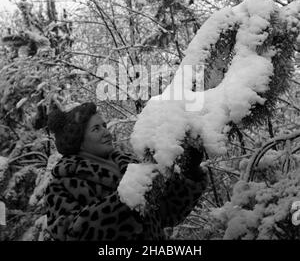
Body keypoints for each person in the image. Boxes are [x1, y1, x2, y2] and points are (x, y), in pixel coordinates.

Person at [45, 102, 208, 240]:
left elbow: (167, 214)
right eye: (96, 129)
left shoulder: (130, 165)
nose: (106, 132)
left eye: (104, 125)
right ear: (78, 140)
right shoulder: (61, 184)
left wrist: (189, 170)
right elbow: (69, 234)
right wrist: (124, 202)